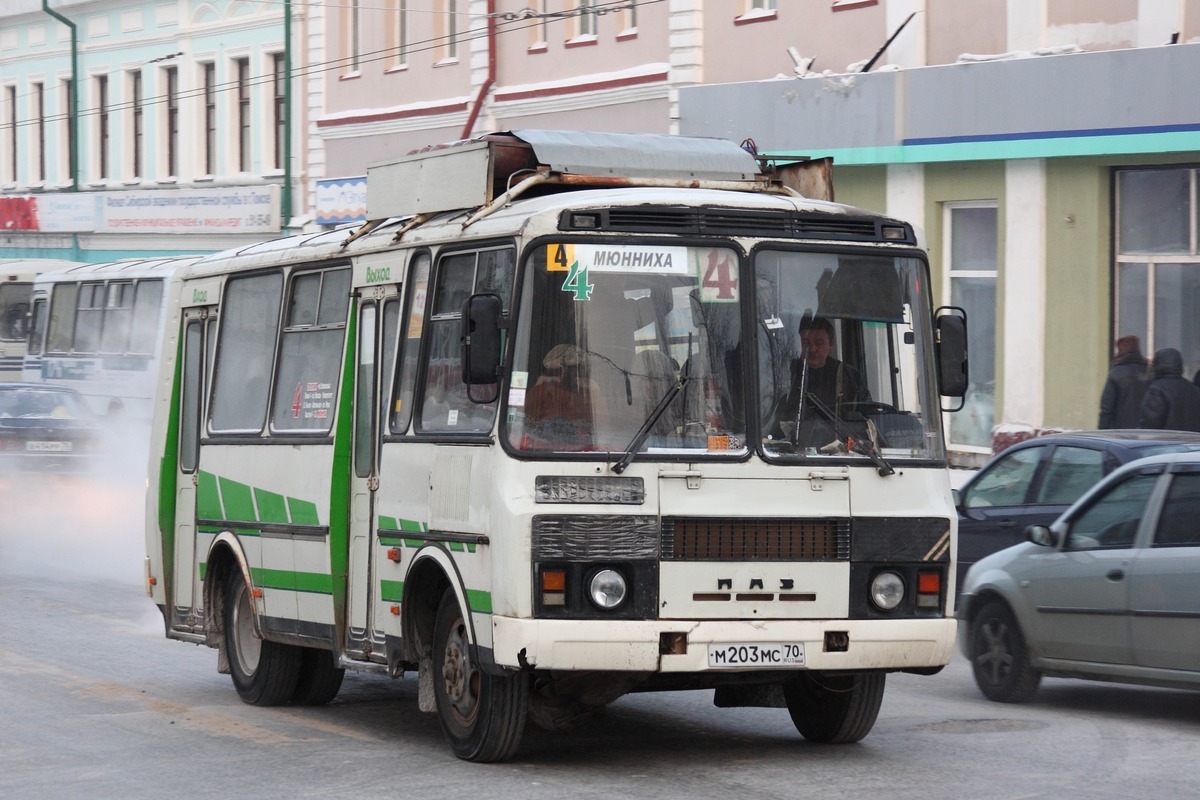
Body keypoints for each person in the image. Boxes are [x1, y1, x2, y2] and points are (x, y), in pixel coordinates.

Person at [778, 316, 871, 433]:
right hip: (792, 447)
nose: (812, 349)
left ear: (831, 345)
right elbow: (775, 422)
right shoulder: (785, 374)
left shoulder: (851, 377)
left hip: (842, 447)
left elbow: (868, 420)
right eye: (806, 343)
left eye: (819, 343)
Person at [524, 343, 594, 441]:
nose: (570, 373)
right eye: (558, 370)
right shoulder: (540, 392)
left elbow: (600, 429)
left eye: (575, 368)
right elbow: (524, 426)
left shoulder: (588, 395)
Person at [1139, 347, 1200, 432]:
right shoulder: (1193, 389)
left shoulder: (1157, 389)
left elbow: (1150, 423)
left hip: (1165, 442)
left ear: (1157, 365)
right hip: (1191, 442)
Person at [1098, 334, 1149, 429]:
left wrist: (1102, 431)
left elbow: (1106, 408)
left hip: (1121, 432)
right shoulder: (1149, 372)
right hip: (1146, 432)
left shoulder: (1116, 373)